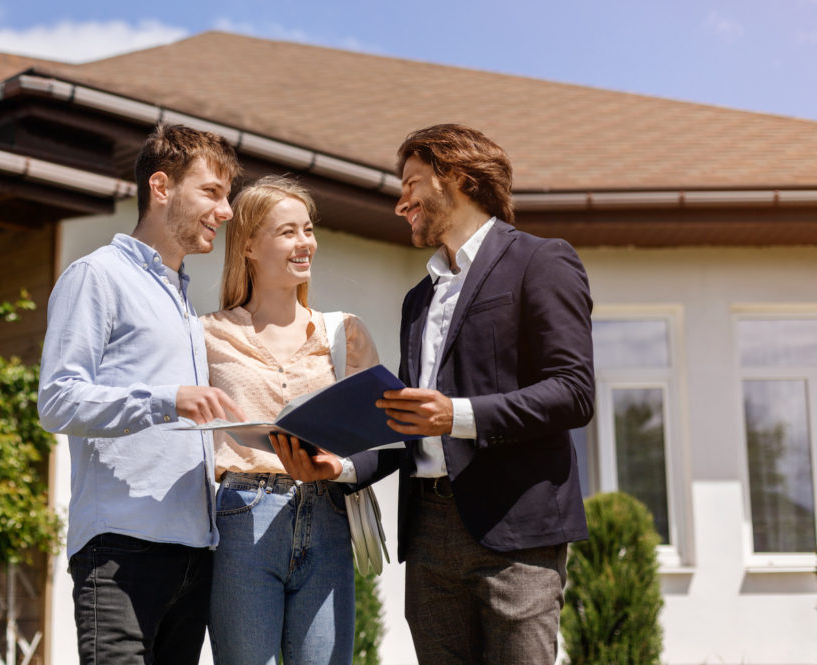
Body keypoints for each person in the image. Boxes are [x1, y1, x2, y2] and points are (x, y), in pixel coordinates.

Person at [278, 123, 594, 665]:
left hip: (516, 534)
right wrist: (343, 467)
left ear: (460, 179)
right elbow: (408, 424)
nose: (401, 204)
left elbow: (573, 392)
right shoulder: (417, 300)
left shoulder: (541, 261)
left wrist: (457, 416)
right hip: (428, 537)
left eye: (412, 184)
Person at [37, 123, 246, 665]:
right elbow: (57, 400)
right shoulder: (97, 277)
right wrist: (163, 400)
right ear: (161, 187)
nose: (225, 212)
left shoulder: (182, 299)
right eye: (212, 192)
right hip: (121, 551)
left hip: (196, 555)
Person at [200, 175, 379, 665]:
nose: (305, 244)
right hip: (242, 518)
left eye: (308, 229)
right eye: (287, 232)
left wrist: (336, 466)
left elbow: (380, 441)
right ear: (250, 245)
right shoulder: (206, 336)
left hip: (327, 515)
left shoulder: (345, 333)